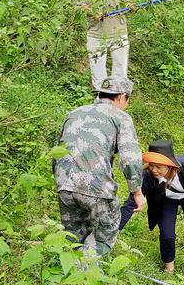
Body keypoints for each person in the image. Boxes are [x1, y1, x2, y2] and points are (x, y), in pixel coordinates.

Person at [53, 76, 145, 256]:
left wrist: (61, 181)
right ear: (121, 97)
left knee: (73, 235)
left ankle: (69, 275)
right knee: (106, 232)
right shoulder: (121, 117)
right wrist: (137, 192)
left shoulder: (74, 113)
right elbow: (130, 158)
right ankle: (85, 276)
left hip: (64, 183)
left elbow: (57, 151)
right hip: (95, 187)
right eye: (127, 100)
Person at [120, 140, 184, 285]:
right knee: (167, 235)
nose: (154, 170)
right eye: (151, 165)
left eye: (158, 167)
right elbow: (131, 203)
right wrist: (114, 229)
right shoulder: (147, 176)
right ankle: (169, 270)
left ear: (170, 165)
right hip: (166, 201)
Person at [76, 0, 135, 91]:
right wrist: (92, 12)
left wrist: (130, 6)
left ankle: (118, 97)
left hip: (118, 32)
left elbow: (126, 0)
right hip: (96, 33)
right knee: (97, 69)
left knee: (120, 69)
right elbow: (78, 4)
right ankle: (100, 98)